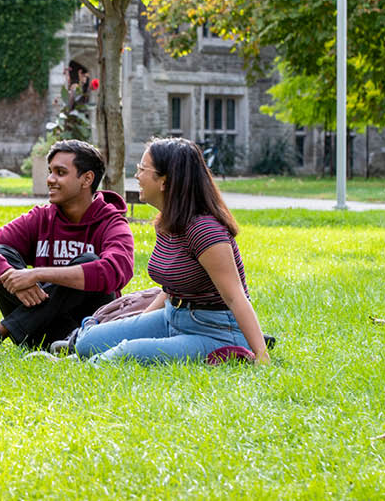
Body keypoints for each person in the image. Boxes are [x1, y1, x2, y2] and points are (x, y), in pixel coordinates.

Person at [73, 136, 271, 364]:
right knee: (87, 343)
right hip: (173, 316)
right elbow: (170, 287)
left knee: (123, 354)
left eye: (142, 169)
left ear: (164, 181)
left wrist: (261, 355)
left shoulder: (204, 230)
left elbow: (235, 297)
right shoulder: (168, 222)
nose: (137, 175)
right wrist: (138, 324)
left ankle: (237, 351)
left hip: (215, 331)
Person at [0, 140, 135, 352]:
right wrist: (8, 272)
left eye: (60, 172)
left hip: (89, 329)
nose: (50, 179)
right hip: (41, 329)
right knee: (0, 254)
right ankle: (48, 342)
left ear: (87, 179)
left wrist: (38, 275)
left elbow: (116, 271)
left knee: (89, 262)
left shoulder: (111, 222)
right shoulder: (40, 217)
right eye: (50, 171)